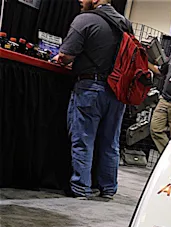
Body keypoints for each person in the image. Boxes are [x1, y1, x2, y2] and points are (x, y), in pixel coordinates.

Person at [52, 0, 132, 199]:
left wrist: (60, 58)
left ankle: (81, 188)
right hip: (118, 91)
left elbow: (66, 55)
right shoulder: (125, 24)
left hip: (90, 88)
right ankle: (108, 188)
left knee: (83, 140)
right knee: (110, 143)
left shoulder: (85, 19)